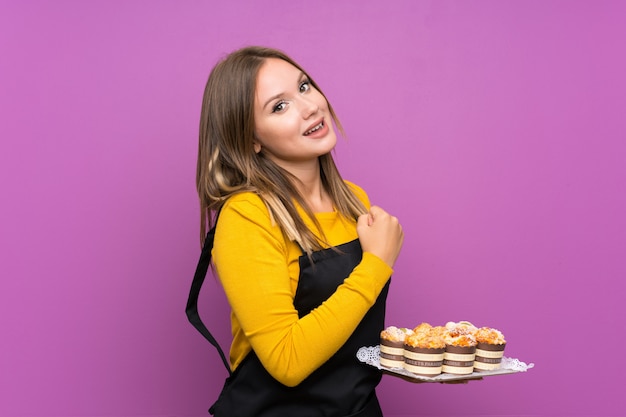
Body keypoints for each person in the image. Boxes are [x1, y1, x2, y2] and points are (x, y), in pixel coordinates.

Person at [189, 46, 404, 417]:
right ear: (250, 140)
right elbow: (287, 361)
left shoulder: (354, 200)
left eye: (303, 87)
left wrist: (416, 358)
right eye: (279, 106)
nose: (309, 107)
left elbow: (349, 333)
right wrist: (376, 265)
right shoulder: (248, 215)